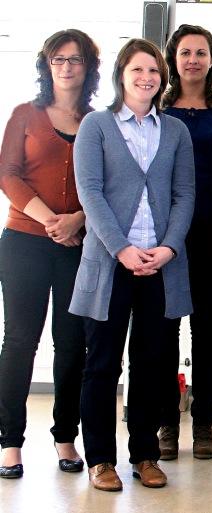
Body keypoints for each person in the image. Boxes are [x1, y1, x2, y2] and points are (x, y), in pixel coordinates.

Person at [70, 38, 195, 491]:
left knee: (152, 363)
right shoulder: (96, 126)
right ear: (121, 75)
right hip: (110, 263)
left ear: (163, 79)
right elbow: (90, 192)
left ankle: (145, 454)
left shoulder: (175, 131)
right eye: (138, 70)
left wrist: (169, 247)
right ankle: (100, 459)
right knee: (102, 363)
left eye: (154, 71)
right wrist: (121, 248)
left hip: (161, 264)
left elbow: (184, 194)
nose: (146, 78)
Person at [0, 29, 99, 480]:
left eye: (75, 59)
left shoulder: (99, 122)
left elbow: (109, 185)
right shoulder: (25, 114)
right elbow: (8, 174)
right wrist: (51, 221)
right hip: (24, 242)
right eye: (58, 58)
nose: (66, 66)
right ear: (47, 64)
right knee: (20, 341)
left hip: (78, 245)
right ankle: (10, 442)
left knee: (72, 343)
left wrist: (77, 220)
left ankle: (65, 437)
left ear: (88, 66)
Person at [155, 23, 212, 462]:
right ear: (173, 59)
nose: (193, 60)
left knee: (208, 328)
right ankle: (167, 422)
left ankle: (204, 421)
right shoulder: (157, 106)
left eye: (201, 52)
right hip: (167, 232)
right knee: (165, 327)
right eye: (185, 52)